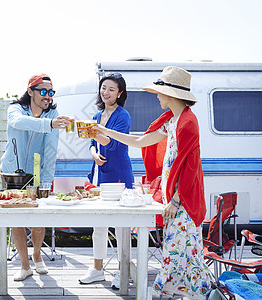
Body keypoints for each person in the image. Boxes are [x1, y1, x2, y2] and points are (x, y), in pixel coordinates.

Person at [94, 66, 213, 299]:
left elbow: (191, 167)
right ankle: (181, 292)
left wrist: (176, 201)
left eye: (159, 92)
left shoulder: (188, 122)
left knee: (184, 250)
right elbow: (140, 141)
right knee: (179, 250)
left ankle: (184, 292)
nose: (157, 96)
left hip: (184, 201)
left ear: (171, 94)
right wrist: (103, 130)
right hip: (176, 198)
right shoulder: (173, 119)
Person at [0, 73, 70, 281]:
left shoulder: (52, 114)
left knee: (39, 220)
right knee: (16, 220)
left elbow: (51, 149)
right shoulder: (16, 109)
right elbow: (18, 122)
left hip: (38, 173)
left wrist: (46, 179)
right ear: (30, 91)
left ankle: (37, 254)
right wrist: (47, 125)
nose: (47, 96)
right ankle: (24, 264)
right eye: (43, 91)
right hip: (13, 173)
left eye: (51, 92)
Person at [78, 73, 134, 289]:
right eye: (103, 88)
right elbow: (93, 142)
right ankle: (97, 269)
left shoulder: (123, 116)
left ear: (120, 93)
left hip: (119, 174)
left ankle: (122, 272)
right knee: (98, 225)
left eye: (111, 89)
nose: (106, 92)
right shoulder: (97, 115)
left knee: (121, 227)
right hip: (99, 174)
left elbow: (115, 145)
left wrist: (95, 134)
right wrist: (92, 152)